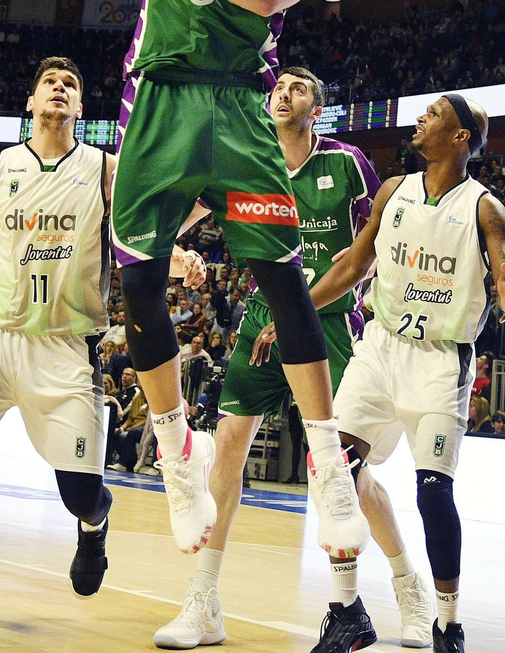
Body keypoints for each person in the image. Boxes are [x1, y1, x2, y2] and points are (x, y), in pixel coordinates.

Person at [108, 0, 365, 563]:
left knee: (281, 278)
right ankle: (176, 459)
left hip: (238, 114)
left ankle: (328, 465)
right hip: (159, 104)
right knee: (138, 278)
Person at [0, 59, 207, 621]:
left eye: (71, 86)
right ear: (31, 103)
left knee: (78, 496)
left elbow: (136, 233)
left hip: (66, 348)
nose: (60, 90)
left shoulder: (107, 169)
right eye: (49, 83)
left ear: (81, 109)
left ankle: (95, 522)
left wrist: (177, 254)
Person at [157, 68, 424, 650]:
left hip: (329, 321)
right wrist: (161, 242)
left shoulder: (347, 162)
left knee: (346, 470)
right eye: (280, 86)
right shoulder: (245, 161)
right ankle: (203, 602)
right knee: (228, 443)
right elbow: (179, 215)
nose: (283, 92)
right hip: (261, 317)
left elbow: (371, 249)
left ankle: (408, 586)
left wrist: (296, 311)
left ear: (317, 109)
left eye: (300, 88)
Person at [304, 93, 505, 653]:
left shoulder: (483, 208)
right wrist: (296, 311)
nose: (420, 119)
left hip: (439, 361)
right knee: (332, 471)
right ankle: (346, 611)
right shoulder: (393, 191)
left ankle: (448, 623)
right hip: (379, 346)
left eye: (433, 115)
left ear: (459, 138)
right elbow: (355, 265)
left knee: (432, 494)